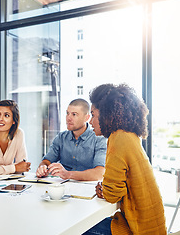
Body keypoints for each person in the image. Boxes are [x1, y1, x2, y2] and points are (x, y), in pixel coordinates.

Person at [84, 83, 166, 235]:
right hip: (152, 226)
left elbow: (112, 194)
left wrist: (104, 189)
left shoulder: (118, 139)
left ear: (106, 114)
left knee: (82, 227)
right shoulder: (129, 135)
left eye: (93, 115)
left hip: (137, 229)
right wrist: (107, 188)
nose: (90, 122)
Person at [36, 98, 107, 181]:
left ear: (86, 117)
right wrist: (42, 168)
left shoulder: (99, 139)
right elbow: (47, 160)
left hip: (87, 188)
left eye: (74, 114)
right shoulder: (61, 137)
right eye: (67, 113)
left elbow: (100, 173)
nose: (68, 118)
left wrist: (68, 174)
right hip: (62, 187)